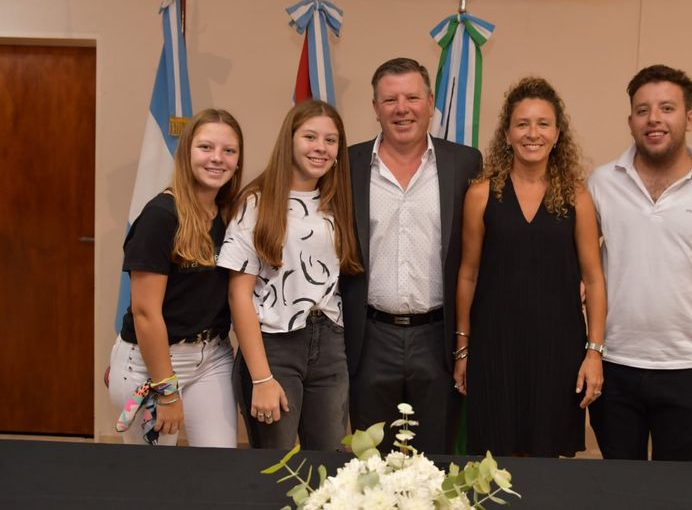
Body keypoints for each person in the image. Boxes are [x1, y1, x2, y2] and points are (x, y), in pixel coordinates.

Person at [588, 64, 692, 461]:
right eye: (642, 110)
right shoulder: (601, 182)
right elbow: (582, 267)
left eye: (667, 108)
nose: (654, 119)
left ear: (689, 118)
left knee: (678, 487)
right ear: (631, 121)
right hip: (615, 364)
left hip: (691, 368)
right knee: (618, 484)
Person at [453, 77, 606, 457]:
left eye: (543, 124)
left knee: (546, 467)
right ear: (507, 134)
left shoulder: (577, 197)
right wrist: (462, 350)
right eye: (522, 124)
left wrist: (594, 353)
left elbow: (593, 279)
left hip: (558, 350)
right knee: (494, 464)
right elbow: (468, 275)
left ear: (557, 134)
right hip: (494, 348)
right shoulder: (481, 195)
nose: (532, 133)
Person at [339, 57, 482, 454]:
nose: (402, 109)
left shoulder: (465, 163)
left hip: (438, 338)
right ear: (375, 107)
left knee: (435, 462)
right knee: (370, 462)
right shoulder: (347, 164)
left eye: (412, 98)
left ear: (431, 103)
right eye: (390, 100)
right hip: (370, 339)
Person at [218, 99, 362, 450]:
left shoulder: (339, 201)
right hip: (274, 345)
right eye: (310, 137)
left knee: (330, 465)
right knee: (276, 465)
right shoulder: (256, 201)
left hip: (330, 344)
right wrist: (261, 377)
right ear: (290, 140)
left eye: (331, 140)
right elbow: (239, 295)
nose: (321, 147)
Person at [109, 108, 244, 447]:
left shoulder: (231, 214)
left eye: (228, 150)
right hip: (151, 363)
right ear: (186, 152)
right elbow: (145, 313)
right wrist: (166, 391)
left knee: (218, 465)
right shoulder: (160, 216)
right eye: (206, 147)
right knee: (154, 474)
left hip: (212, 356)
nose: (217, 158)